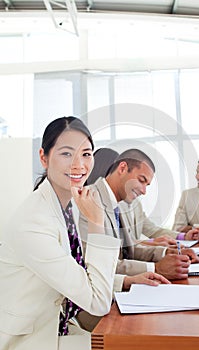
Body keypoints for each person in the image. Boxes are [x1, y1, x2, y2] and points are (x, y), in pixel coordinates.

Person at [0, 117, 168, 350]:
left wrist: (126, 281)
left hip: (60, 325)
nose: (79, 164)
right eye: (66, 154)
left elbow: (77, 275)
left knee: (146, 336)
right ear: (44, 157)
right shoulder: (34, 222)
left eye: (86, 154)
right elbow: (97, 302)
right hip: (34, 340)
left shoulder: (66, 205)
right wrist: (96, 222)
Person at [79, 148, 199, 283]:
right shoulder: (88, 200)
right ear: (123, 168)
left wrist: (166, 253)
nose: (144, 191)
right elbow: (101, 265)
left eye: (147, 185)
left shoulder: (117, 202)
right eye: (141, 180)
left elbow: (126, 250)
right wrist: (156, 268)